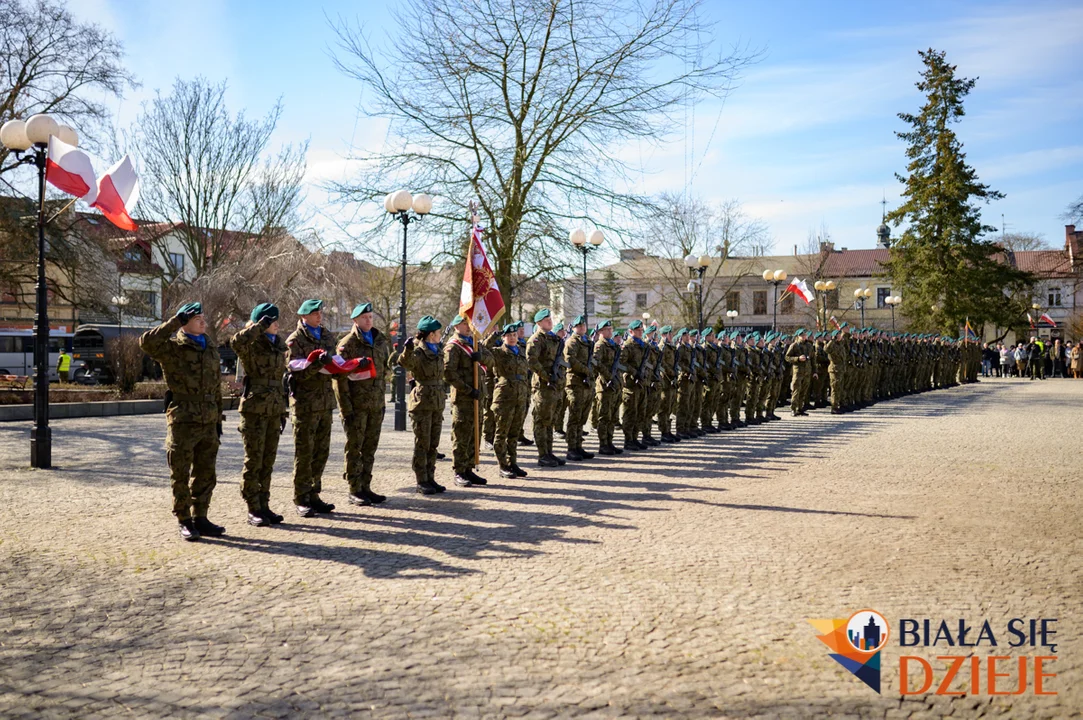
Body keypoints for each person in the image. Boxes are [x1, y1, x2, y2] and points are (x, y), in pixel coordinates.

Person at [139, 302, 225, 541]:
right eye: (197, 318)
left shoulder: (210, 346)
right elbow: (146, 343)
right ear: (185, 320)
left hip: (208, 418)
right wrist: (174, 322)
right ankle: (184, 520)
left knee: (206, 472)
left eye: (203, 317)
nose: (203, 321)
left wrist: (218, 417)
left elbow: (215, 385)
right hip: (183, 418)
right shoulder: (172, 347)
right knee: (180, 472)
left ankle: (201, 517)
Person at [229, 302, 288, 527]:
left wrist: (282, 409)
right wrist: (258, 327)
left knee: (268, 460)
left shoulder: (278, 345)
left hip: (274, 408)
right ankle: (253, 507)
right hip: (254, 409)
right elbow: (235, 342)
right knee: (254, 460)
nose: (275, 324)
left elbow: (280, 380)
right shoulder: (251, 343)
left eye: (275, 320)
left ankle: (264, 504)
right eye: (270, 320)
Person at [334, 302, 393, 506]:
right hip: (356, 406)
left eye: (370, 317)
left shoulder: (379, 341)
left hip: (376, 404)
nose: (369, 320)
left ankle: (366, 486)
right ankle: (354, 488)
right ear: (355, 320)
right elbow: (339, 378)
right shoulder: (348, 343)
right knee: (355, 448)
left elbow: (384, 370)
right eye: (364, 318)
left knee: (370, 448)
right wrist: (345, 409)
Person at [285, 299, 339, 518]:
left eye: (320, 313)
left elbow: (334, 365)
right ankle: (301, 497)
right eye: (315, 313)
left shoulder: (326, 336)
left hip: (325, 403)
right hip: (305, 404)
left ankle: (314, 494)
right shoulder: (295, 340)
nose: (319, 316)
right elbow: (296, 373)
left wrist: (340, 367)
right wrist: (318, 364)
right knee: (304, 453)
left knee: (321, 452)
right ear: (304, 316)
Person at [396, 315, 447, 494]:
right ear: (431, 334)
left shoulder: (439, 350)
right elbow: (405, 363)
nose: (440, 335)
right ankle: (421, 479)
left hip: (437, 401)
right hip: (422, 402)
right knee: (422, 443)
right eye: (438, 332)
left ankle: (430, 477)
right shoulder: (418, 351)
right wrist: (407, 350)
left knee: (433, 443)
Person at [443, 314, 493, 487]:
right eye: (463, 324)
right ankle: (459, 470)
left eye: (468, 323)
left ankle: (469, 468)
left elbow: (491, 359)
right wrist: (468, 390)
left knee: (475, 433)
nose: (467, 326)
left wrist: (481, 357)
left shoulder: (475, 342)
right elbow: (449, 374)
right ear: (456, 326)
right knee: (462, 434)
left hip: (478, 395)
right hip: (464, 397)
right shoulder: (453, 347)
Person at [526, 308, 565, 467]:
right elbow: (531, 361)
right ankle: (542, 455)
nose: (550, 321)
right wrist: (546, 376)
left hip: (555, 385)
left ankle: (549, 452)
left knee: (550, 420)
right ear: (539, 323)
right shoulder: (536, 339)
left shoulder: (553, 339)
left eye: (550, 318)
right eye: (546, 319)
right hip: (544, 385)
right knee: (541, 421)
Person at [491, 323, 530, 478]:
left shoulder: (521, 351)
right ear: (503, 337)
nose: (512, 338)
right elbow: (484, 349)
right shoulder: (499, 352)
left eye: (514, 335)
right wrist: (494, 334)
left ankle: (512, 463)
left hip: (520, 397)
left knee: (514, 433)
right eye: (509, 335)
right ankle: (502, 465)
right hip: (504, 397)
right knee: (501, 432)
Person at [562, 314, 595, 461]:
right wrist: (585, 369)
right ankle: (571, 448)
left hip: (586, 383)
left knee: (582, 417)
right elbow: (569, 359)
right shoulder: (572, 342)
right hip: (575, 382)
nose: (582, 328)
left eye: (583, 325)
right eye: (579, 326)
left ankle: (578, 446)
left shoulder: (587, 341)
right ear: (574, 328)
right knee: (575, 416)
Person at [592, 320, 623, 456]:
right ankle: (603, 444)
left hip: (614, 384)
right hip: (605, 384)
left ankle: (610, 442)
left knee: (612, 416)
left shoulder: (613, 345)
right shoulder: (600, 345)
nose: (610, 331)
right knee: (604, 416)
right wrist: (608, 375)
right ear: (600, 332)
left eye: (611, 329)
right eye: (607, 329)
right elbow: (597, 363)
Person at [786, 328, 813, 416]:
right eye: (802, 335)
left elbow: (813, 359)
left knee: (803, 391)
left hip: (807, 371)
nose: (804, 336)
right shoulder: (794, 345)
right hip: (798, 371)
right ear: (798, 336)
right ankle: (793, 409)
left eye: (805, 335)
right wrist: (798, 359)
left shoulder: (809, 346)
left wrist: (814, 371)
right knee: (796, 390)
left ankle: (800, 408)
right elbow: (787, 357)